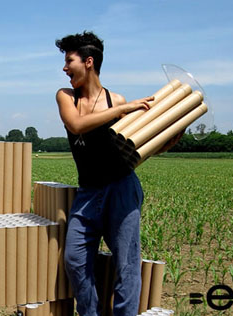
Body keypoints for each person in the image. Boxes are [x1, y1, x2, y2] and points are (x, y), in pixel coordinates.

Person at [55, 31, 153, 316]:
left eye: (68, 61)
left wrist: (168, 138)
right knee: (74, 258)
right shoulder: (66, 97)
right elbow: (76, 125)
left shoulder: (115, 99)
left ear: (88, 62)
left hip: (121, 187)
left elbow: (131, 148)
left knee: (126, 264)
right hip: (88, 192)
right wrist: (123, 110)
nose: (64, 68)